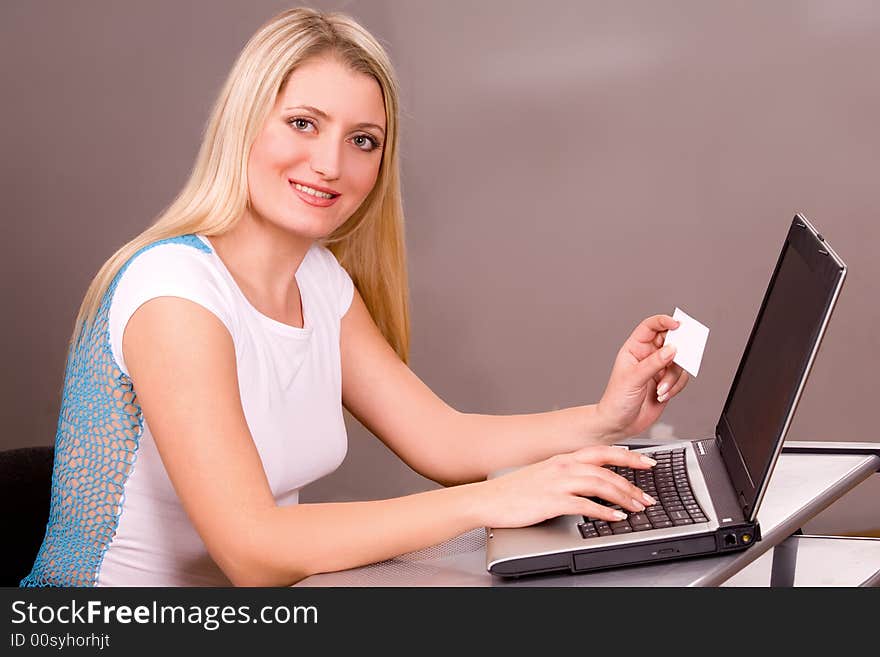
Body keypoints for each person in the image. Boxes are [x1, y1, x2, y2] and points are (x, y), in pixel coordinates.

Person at [22, 7, 689, 587]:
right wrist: (492, 501)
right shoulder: (173, 293)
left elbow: (442, 439)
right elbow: (252, 550)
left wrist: (608, 418)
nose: (330, 164)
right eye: (303, 123)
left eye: (361, 140)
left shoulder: (319, 279)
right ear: (245, 124)